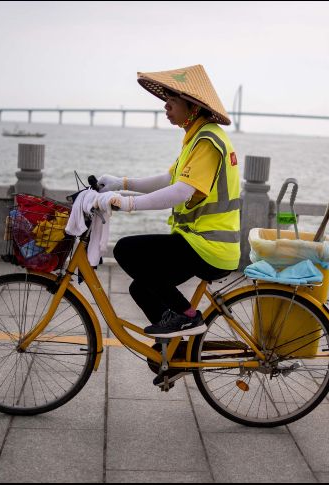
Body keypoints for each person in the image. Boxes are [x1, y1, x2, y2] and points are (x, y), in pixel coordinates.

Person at [95, 64, 240, 339]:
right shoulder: (196, 138)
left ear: (193, 106)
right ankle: (174, 352)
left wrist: (129, 205)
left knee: (127, 250)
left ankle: (188, 317)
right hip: (198, 242)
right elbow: (168, 179)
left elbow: (180, 192)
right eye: (166, 102)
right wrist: (121, 184)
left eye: (171, 102)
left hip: (209, 247)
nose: (166, 108)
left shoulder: (208, 141)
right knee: (141, 287)